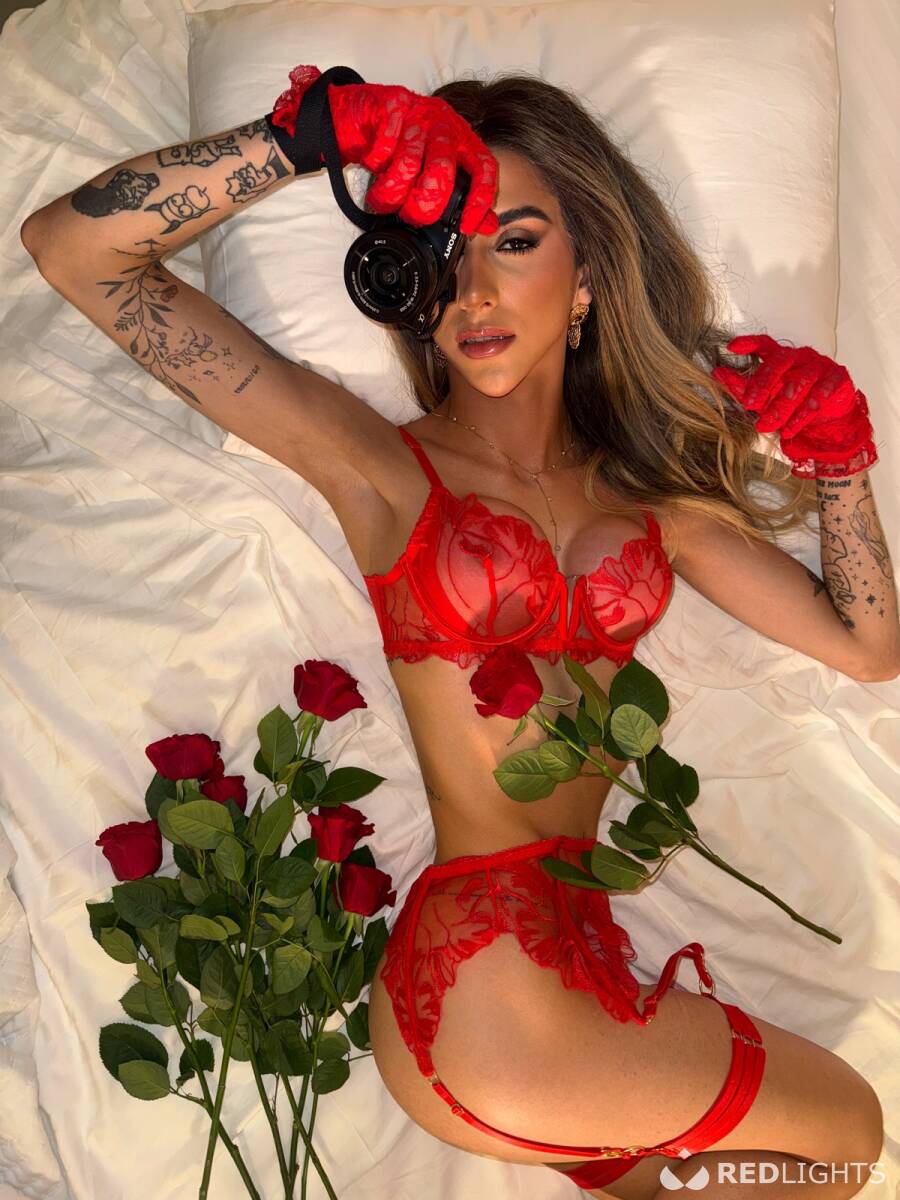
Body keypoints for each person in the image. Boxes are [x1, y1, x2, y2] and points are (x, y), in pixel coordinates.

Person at [21, 64, 895, 1200]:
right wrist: (307, 135)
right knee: (849, 1134)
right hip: (481, 980)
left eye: (515, 242)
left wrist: (841, 464)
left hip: (580, 964)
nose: (474, 291)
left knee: (803, 1169)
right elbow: (72, 249)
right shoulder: (382, 466)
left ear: (588, 276)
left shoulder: (655, 506)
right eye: (445, 251)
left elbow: (868, 647)